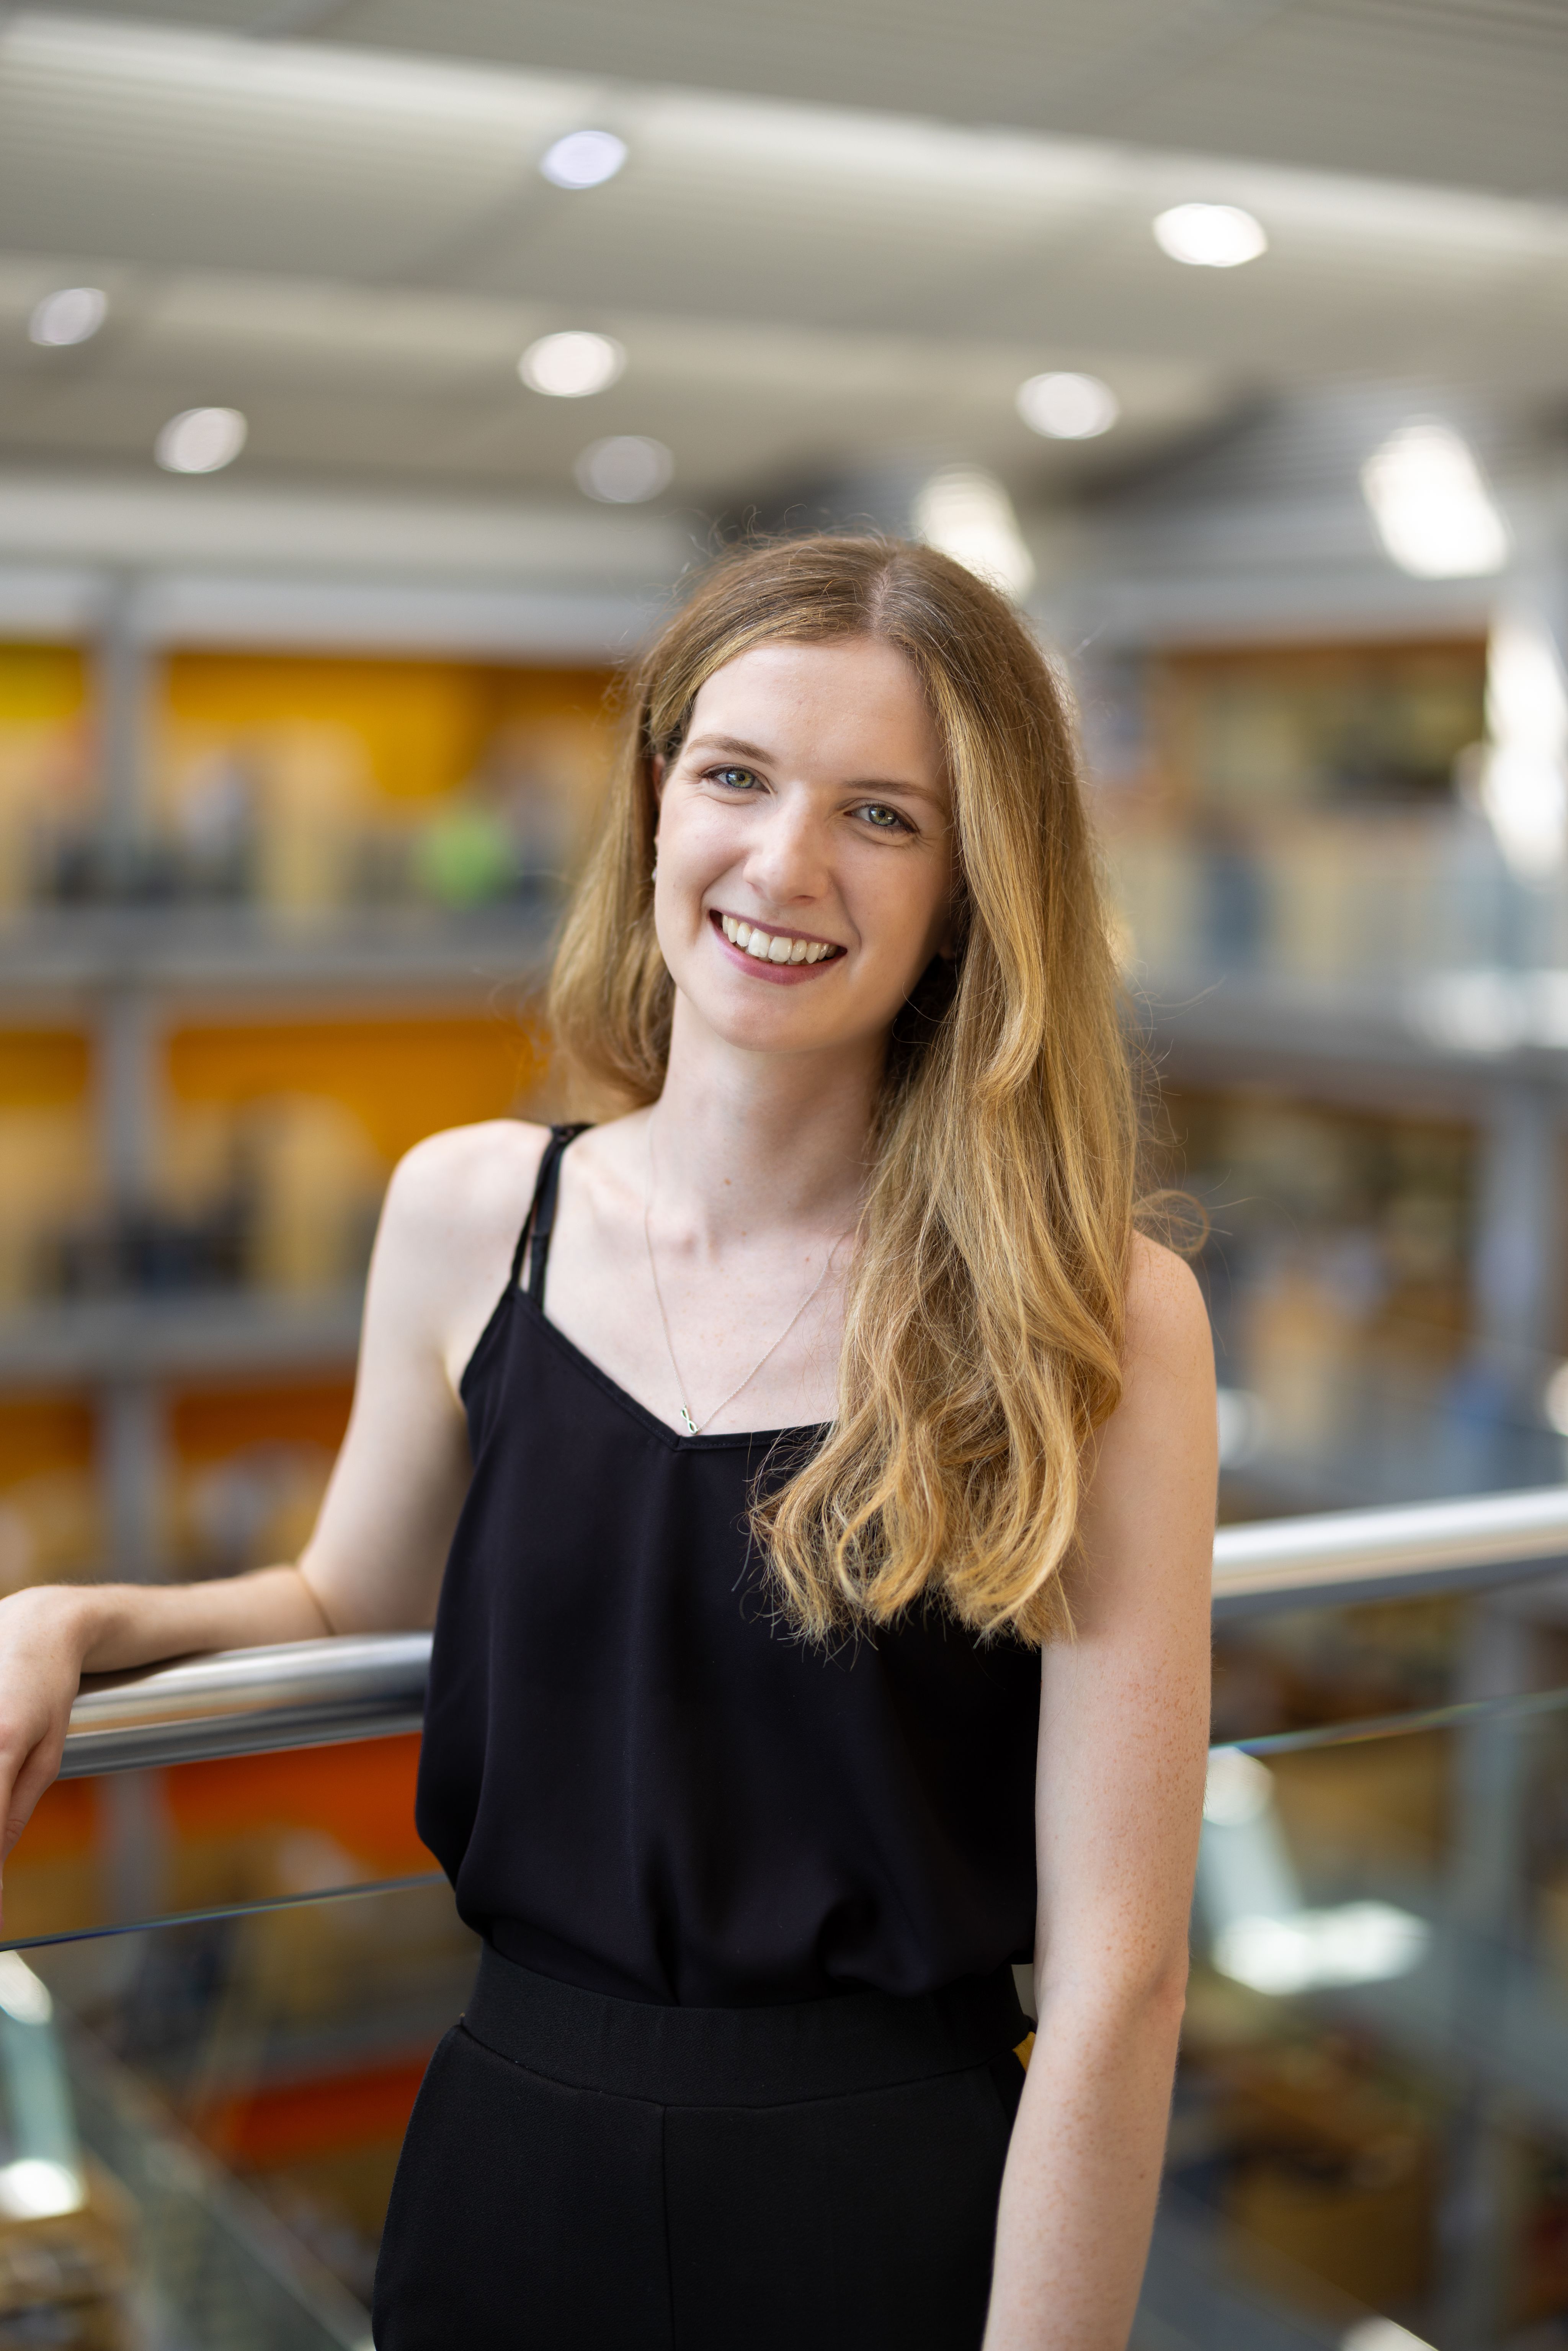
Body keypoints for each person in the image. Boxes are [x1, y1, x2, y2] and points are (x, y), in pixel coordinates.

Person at [0, 536, 1215, 2350]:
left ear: (973, 890)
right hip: (505, 2168)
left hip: (881, 2212)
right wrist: (87, 1623)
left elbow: (1118, 1982)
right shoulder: (473, 1212)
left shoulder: (1087, 1309)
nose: (782, 865)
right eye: (734, 776)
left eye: (883, 815)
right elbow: (352, 1596)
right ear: (655, 804)